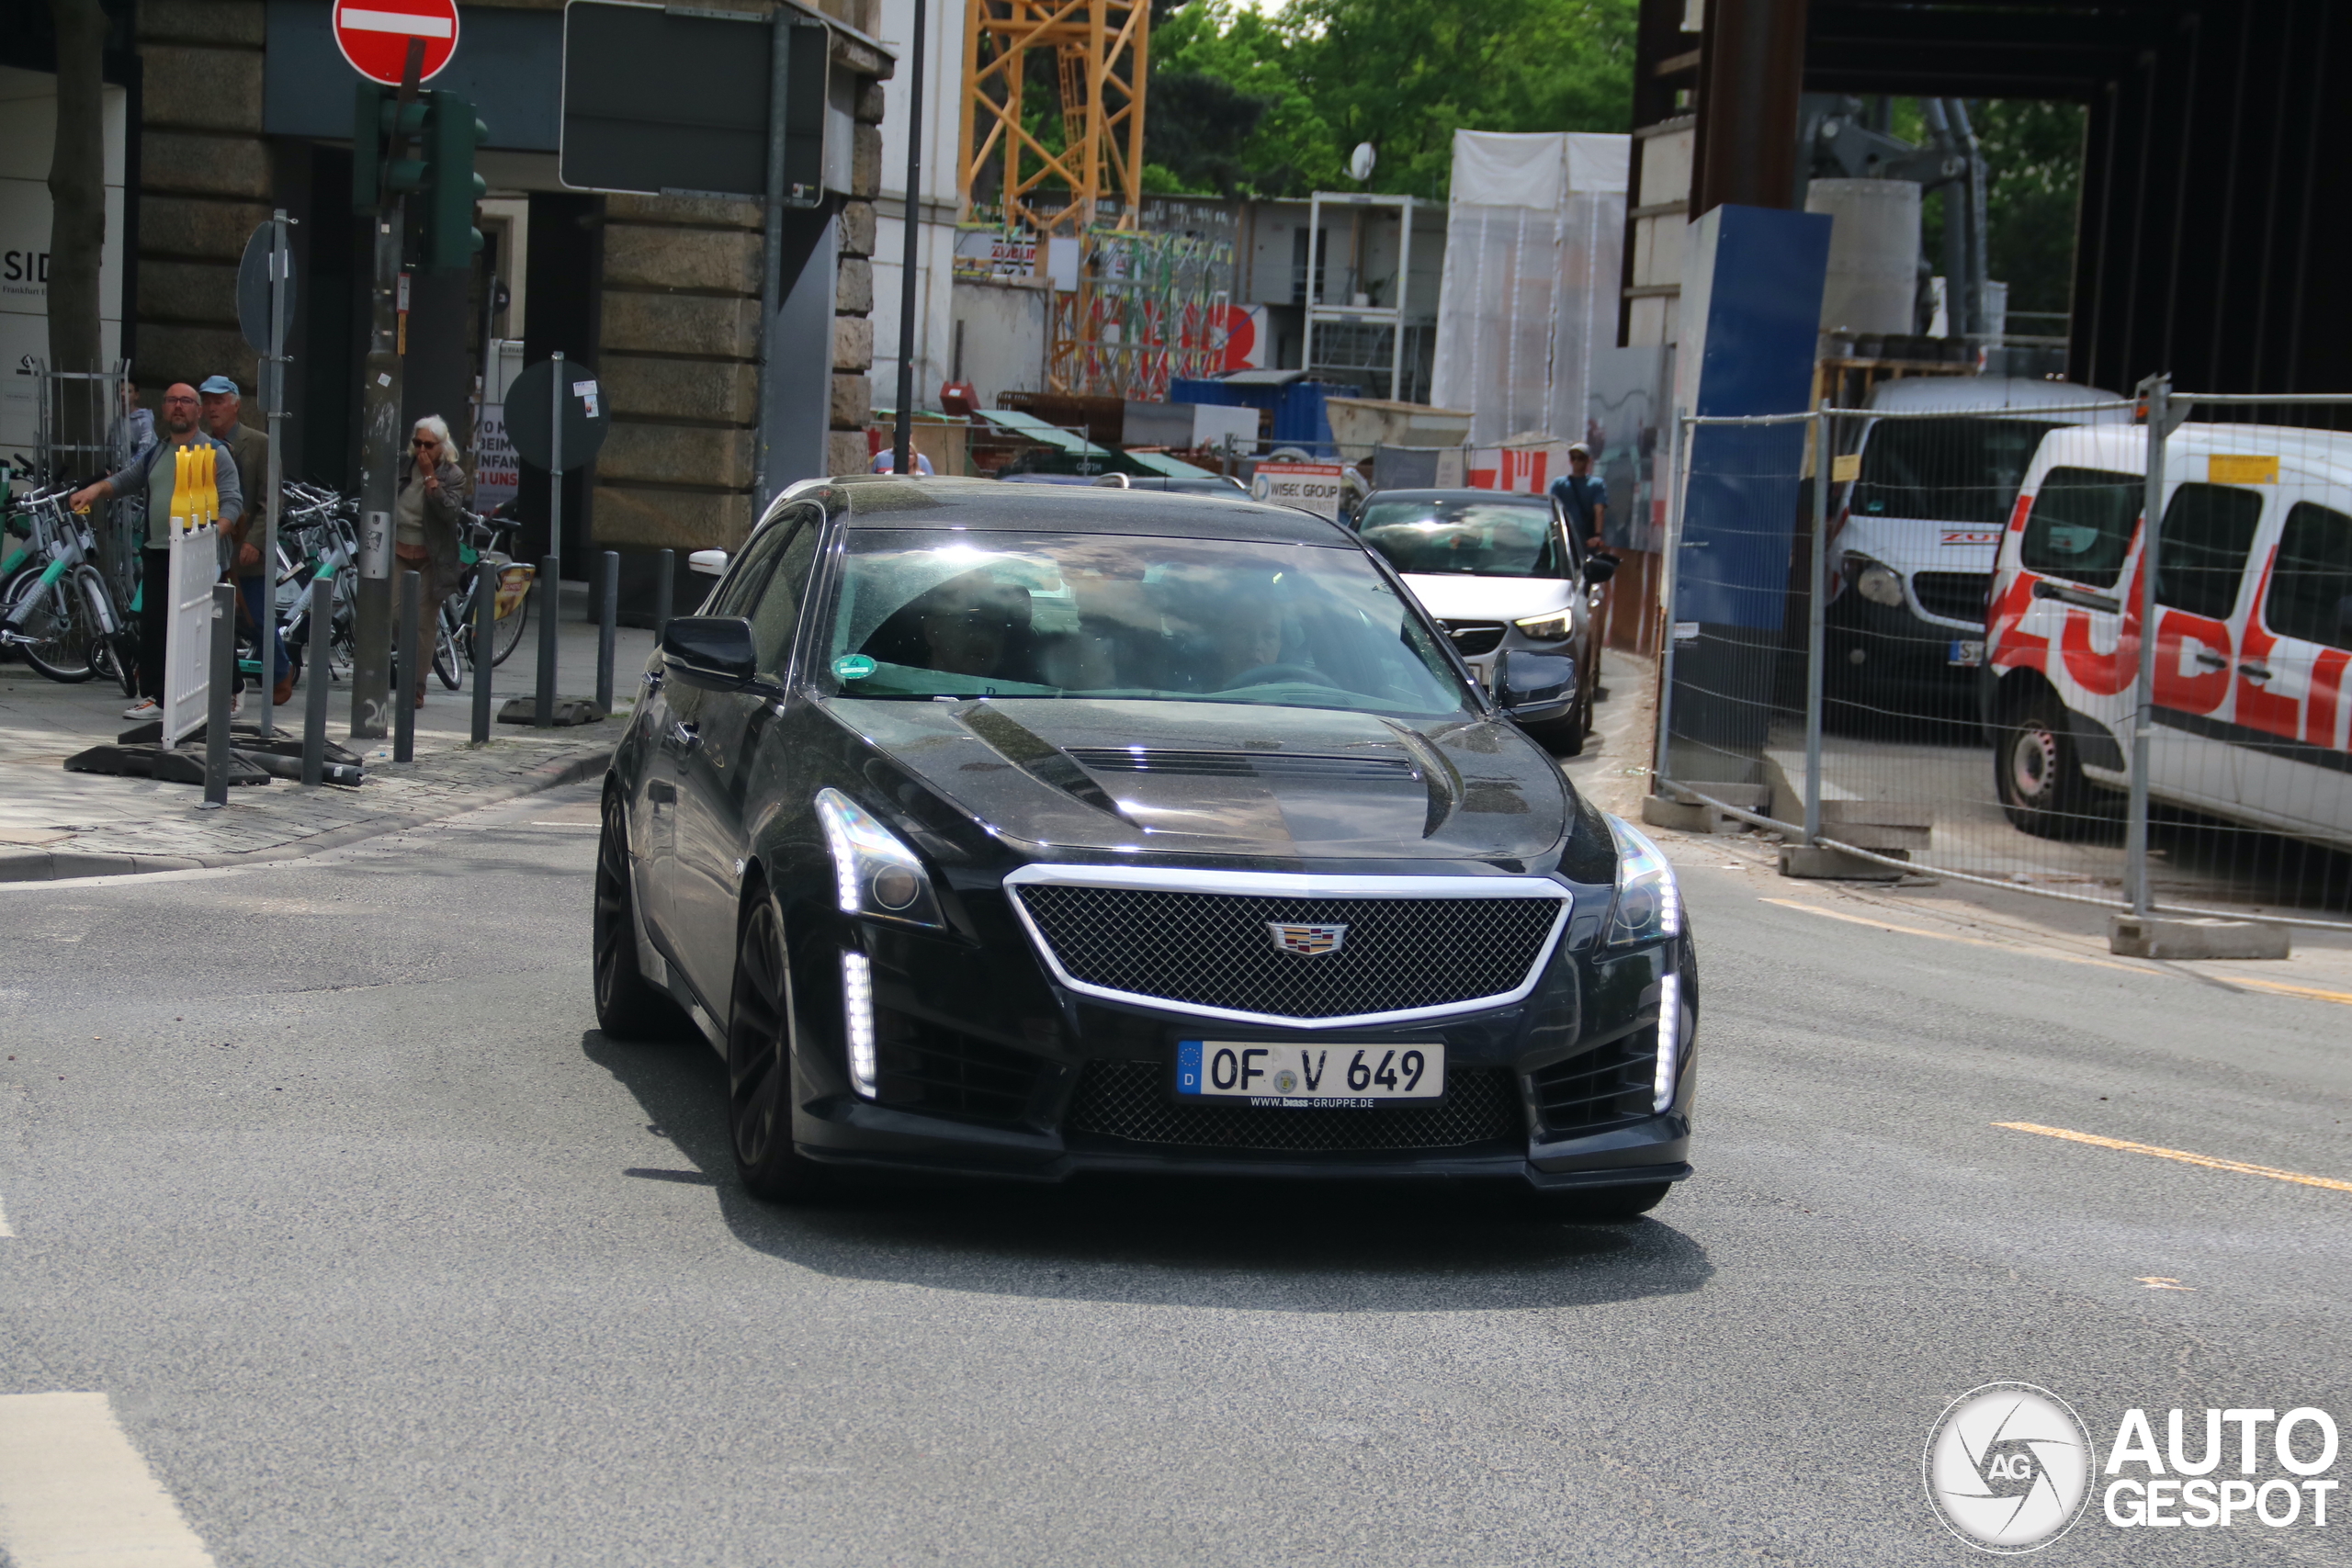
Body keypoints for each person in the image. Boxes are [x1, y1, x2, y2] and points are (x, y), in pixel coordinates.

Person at [69, 383, 244, 721]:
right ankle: (157, 697)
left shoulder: (215, 452)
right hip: (159, 552)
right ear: (164, 409)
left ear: (197, 410)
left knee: (207, 626)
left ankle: (231, 690)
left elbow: (233, 502)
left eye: (186, 401)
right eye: (172, 401)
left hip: (199, 554)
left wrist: (211, 535)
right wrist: (92, 491)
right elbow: (122, 482)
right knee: (155, 627)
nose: (179, 406)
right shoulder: (156, 454)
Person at [198, 376, 292, 706]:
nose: (212, 408)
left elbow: (272, 500)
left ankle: (281, 671)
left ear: (236, 404)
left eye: (219, 401)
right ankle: (228, 679)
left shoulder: (260, 443)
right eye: (207, 401)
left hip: (247, 548)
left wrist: (256, 541)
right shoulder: (201, 446)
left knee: (257, 617)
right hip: (213, 548)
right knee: (217, 619)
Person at [395, 415, 469, 708]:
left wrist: (430, 478)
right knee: (395, 616)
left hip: (431, 558)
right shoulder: (402, 466)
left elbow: (449, 513)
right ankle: (410, 661)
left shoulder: (453, 475)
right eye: (417, 442)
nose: (421, 449)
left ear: (442, 446)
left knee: (424, 623)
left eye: (428, 444)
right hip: (399, 551)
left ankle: (415, 687)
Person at [1549, 442, 1608, 552]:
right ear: (1570, 461)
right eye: (1573, 458)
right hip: (1563, 536)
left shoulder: (1596, 484)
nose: (1576, 461)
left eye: (1580, 458)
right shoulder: (1559, 483)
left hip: (1584, 540)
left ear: (1588, 461)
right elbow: (1551, 508)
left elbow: (1599, 511)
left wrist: (1597, 536)